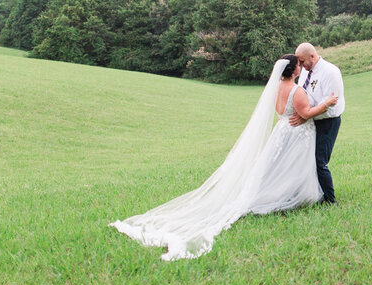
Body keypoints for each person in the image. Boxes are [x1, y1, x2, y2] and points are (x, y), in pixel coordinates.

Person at [110, 54, 337, 261]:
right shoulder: (296, 91)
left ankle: (287, 194)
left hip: (282, 132)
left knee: (279, 168)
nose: (301, 67)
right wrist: (327, 103)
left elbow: (281, 113)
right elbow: (305, 113)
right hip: (295, 134)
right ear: (294, 70)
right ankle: (288, 197)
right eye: (299, 65)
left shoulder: (276, 87)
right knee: (289, 168)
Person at [291, 43, 345, 204]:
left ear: (312, 57)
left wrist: (306, 115)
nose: (299, 66)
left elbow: (330, 102)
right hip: (310, 122)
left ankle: (330, 199)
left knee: (319, 161)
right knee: (307, 159)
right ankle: (315, 194)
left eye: (302, 62)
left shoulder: (330, 72)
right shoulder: (305, 72)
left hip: (327, 121)